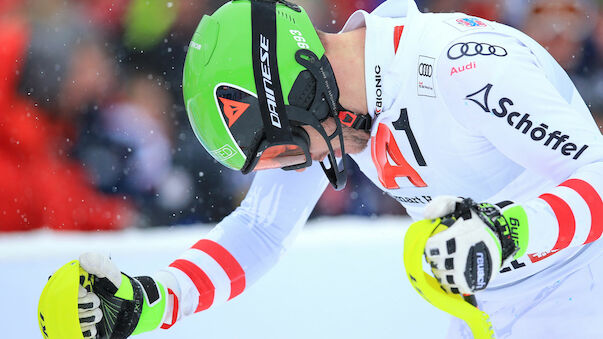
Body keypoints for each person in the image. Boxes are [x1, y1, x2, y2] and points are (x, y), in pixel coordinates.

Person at [67, 0, 603, 338]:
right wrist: (151, 300)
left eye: (280, 151)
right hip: (484, 307)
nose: (292, 166)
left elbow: (597, 176)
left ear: (299, 89)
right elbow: (260, 229)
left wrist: (508, 231)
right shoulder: (328, 115)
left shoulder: (462, 66)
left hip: (582, 291)